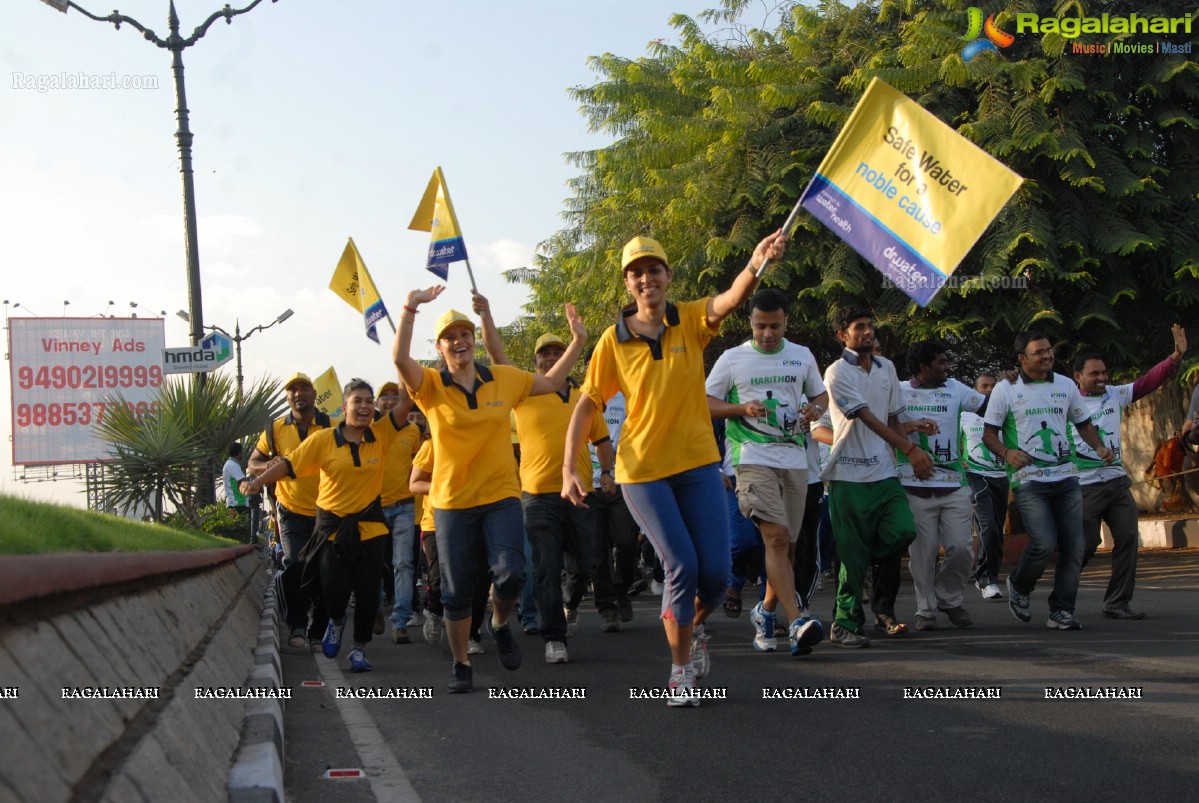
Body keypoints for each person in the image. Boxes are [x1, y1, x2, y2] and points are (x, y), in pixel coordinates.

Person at [563, 230, 788, 707]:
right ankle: (680, 670)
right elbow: (587, 406)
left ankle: (691, 627)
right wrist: (570, 466)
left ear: (668, 276)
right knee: (681, 565)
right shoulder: (612, 341)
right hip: (642, 471)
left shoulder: (687, 318)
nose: (647, 279)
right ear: (628, 284)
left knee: (716, 575)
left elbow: (727, 302)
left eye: (654, 270)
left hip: (698, 465)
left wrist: (754, 262)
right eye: (636, 273)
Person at [394, 291, 587, 694]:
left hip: (501, 496)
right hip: (451, 503)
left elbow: (552, 381)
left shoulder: (502, 378)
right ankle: (461, 662)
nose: (459, 340)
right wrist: (410, 309)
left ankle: (499, 623)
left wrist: (578, 341)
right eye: (450, 336)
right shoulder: (429, 385)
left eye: (465, 333)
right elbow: (399, 360)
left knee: (513, 573)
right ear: (439, 347)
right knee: (456, 592)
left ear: (474, 340)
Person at [242, 379, 414, 673]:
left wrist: (405, 351)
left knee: (368, 592)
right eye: (356, 400)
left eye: (368, 401)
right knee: (334, 589)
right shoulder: (323, 440)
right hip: (332, 527)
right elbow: (289, 465)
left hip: (370, 526)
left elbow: (407, 401)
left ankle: (359, 649)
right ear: (344, 406)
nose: (363, 406)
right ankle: (335, 621)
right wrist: (256, 482)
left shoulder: (381, 434)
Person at [482, 317, 613, 664]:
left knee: (587, 564)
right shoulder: (523, 392)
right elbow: (496, 354)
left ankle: (571, 604)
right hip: (538, 496)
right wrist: (485, 316)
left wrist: (609, 472)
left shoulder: (585, 399)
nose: (551, 358)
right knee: (545, 567)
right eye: (545, 354)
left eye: (558, 351)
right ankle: (553, 638)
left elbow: (601, 441)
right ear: (536, 360)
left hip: (580, 494)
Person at [705, 288, 828, 656]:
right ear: (751, 323)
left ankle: (765, 611)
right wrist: (742, 408)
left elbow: (819, 396)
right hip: (751, 456)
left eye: (775, 326)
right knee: (774, 538)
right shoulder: (732, 359)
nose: (768, 334)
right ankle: (797, 621)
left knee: (786, 548)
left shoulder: (801, 356)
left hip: (795, 461)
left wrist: (815, 410)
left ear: (786, 322)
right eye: (761, 326)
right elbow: (707, 403)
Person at [983, 332, 1113, 631]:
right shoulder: (1005, 389)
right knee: (1043, 543)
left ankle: (1061, 611)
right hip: (1029, 480)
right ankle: (1018, 583)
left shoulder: (1066, 385)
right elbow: (989, 434)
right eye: (1039, 352)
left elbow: (1083, 424)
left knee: (1074, 546)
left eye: (1049, 350)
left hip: (1066, 476)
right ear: (1022, 358)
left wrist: (1098, 447)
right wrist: (1007, 452)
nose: (1047, 356)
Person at [821, 305, 932, 648]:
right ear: (843, 335)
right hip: (847, 475)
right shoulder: (836, 372)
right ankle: (844, 623)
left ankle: (861, 557)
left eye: (870, 325)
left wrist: (906, 456)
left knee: (903, 530)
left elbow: (895, 417)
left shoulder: (887, 368)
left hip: (884, 472)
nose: (867, 332)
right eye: (859, 327)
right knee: (852, 559)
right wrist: (912, 450)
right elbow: (867, 417)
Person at [1071, 324, 1186, 619]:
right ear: (1078, 377)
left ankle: (1117, 603)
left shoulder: (1115, 394)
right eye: (1094, 373)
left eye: (1103, 372)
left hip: (1116, 483)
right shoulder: (1066, 403)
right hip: (1083, 486)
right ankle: (1061, 598)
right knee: (1085, 546)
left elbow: (1148, 382)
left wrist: (1174, 358)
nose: (1101, 378)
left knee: (1128, 539)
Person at [897, 341, 988, 631]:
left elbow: (990, 407)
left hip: (953, 483)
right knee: (922, 554)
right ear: (923, 367)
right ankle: (926, 611)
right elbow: (880, 426)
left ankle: (949, 598)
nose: (947, 367)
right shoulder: (897, 392)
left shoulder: (957, 389)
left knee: (962, 548)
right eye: (940, 362)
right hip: (913, 485)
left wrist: (1012, 385)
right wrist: (911, 427)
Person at [247, 372, 334, 650]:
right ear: (288, 397)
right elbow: (253, 464)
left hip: (327, 510)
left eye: (304, 388)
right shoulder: (274, 430)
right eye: (293, 390)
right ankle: (297, 624)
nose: (299, 394)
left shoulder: (331, 427)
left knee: (324, 570)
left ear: (313, 394)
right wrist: (269, 466)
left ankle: (318, 631)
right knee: (295, 564)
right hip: (291, 510)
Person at [375, 381, 424, 643]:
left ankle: (400, 621)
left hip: (404, 507)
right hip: (372, 509)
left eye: (396, 396)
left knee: (403, 564)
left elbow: (420, 461)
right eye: (385, 396)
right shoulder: (369, 431)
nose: (391, 400)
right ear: (376, 403)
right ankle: (375, 607)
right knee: (373, 565)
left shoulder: (412, 431)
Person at [961, 373, 1009, 601]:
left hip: (1001, 475)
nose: (989, 390)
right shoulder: (964, 416)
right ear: (975, 390)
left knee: (996, 531)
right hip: (975, 476)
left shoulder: (1005, 415)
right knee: (988, 527)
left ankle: (990, 573)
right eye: (984, 386)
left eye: (993, 386)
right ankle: (987, 579)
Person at [223, 442, 248, 512]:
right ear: (240, 452)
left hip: (236, 502)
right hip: (237, 503)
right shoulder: (232, 465)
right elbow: (243, 482)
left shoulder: (230, 464)